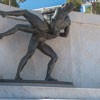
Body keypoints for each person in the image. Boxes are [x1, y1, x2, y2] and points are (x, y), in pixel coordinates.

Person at [0, 3, 73, 81]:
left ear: (69, 10)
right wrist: (50, 22)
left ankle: (48, 77)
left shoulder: (67, 21)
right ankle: (17, 75)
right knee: (21, 22)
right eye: (66, 5)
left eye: (67, 6)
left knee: (54, 57)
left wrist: (57, 33)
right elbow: (43, 12)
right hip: (41, 27)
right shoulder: (58, 10)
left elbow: (65, 35)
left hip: (41, 38)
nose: (65, 6)